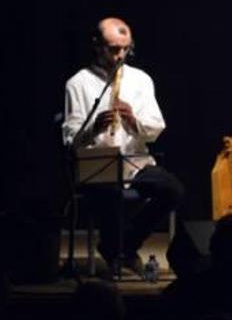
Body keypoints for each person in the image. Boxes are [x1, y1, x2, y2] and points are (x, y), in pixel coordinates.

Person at [62, 17, 184, 274]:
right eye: (113, 49)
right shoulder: (78, 83)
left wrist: (133, 121)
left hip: (134, 161)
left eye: (125, 49)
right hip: (98, 163)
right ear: (97, 45)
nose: (120, 55)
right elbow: (70, 138)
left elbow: (156, 128)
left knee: (173, 189)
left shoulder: (141, 80)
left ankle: (121, 246)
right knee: (108, 193)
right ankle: (120, 252)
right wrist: (94, 128)